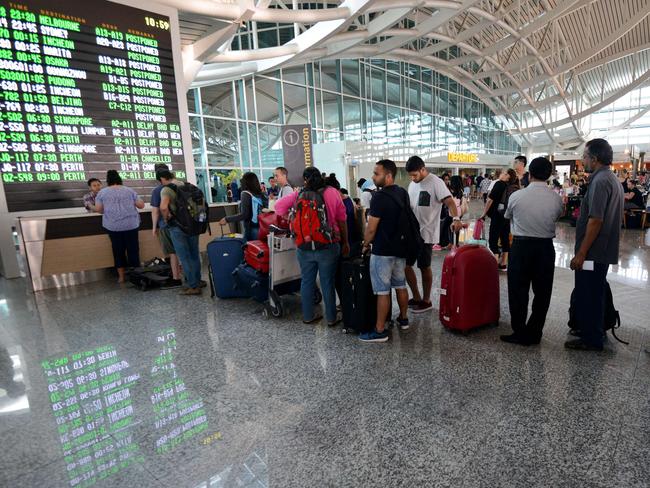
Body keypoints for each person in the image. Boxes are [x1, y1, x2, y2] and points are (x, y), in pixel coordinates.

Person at [567, 139, 624, 351]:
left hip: (593, 251)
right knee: (594, 291)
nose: (582, 161)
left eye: (584, 156)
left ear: (595, 158)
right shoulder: (611, 178)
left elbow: (596, 219)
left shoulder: (600, 181)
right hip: (601, 250)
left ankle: (591, 338)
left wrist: (581, 253)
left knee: (589, 293)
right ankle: (592, 331)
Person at [500, 157, 563, 346]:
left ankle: (519, 331)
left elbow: (508, 215)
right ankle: (535, 332)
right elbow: (557, 216)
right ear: (549, 175)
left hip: (521, 247)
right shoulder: (556, 198)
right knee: (542, 292)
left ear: (530, 174)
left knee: (518, 291)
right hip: (545, 248)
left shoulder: (517, 196)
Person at [275, 167, 349, 327]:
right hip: (328, 246)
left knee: (307, 281)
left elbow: (278, 207)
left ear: (305, 179)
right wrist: (346, 242)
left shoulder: (299, 193)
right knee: (327, 282)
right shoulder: (331, 192)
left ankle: (308, 316)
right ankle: (331, 318)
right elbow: (342, 219)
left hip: (304, 246)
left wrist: (291, 218)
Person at [360, 159, 412, 343]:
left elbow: (371, 228)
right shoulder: (402, 193)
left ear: (388, 176)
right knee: (400, 285)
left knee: (382, 291)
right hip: (400, 248)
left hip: (383, 251)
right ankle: (404, 319)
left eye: (376, 173)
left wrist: (365, 244)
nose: (373, 177)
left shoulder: (379, 197)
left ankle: (380, 330)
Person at [405, 157, 462, 312]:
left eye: (415, 175)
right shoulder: (412, 184)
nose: (412, 178)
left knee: (424, 266)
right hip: (412, 232)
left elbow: (450, 202)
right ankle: (416, 296)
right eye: (410, 175)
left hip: (426, 233)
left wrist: (456, 218)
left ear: (423, 169)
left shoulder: (435, 182)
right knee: (405, 265)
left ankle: (426, 300)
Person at [158, 170, 204, 296]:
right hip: (194, 225)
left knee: (184, 257)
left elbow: (163, 207)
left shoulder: (166, 190)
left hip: (178, 227)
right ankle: (198, 281)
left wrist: (166, 218)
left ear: (162, 178)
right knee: (194, 254)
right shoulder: (187, 185)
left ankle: (192, 286)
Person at [94, 170, 144, 283]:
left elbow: (98, 209)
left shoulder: (102, 193)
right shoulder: (129, 190)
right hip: (131, 225)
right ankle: (136, 276)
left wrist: (91, 206)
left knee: (117, 251)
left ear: (108, 180)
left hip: (113, 227)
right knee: (133, 250)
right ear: (119, 178)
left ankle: (121, 277)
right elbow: (141, 205)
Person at [481, 169, 519, 270]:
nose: (502, 175)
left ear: (508, 177)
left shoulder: (499, 184)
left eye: (505, 173)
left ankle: (494, 261)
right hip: (506, 215)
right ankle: (503, 263)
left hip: (497, 215)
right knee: (504, 238)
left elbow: (489, 200)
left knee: (493, 238)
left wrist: (484, 213)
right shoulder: (511, 186)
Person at [151, 165, 182, 286]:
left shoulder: (159, 190)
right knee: (186, 251)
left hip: (167, 225)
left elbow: (156, 210)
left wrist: (154, 227)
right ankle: (193, 277)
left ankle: (176, 277)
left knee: (173, 252)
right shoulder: (182, 185)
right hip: (184, 224)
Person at [219, 172, 268, 242]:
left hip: (251, 229)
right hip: (263, 228)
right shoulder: (262, 193)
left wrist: (227, 219)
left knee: (250, 250)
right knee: (260, 250)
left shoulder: (245, 193)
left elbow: (244, 215)